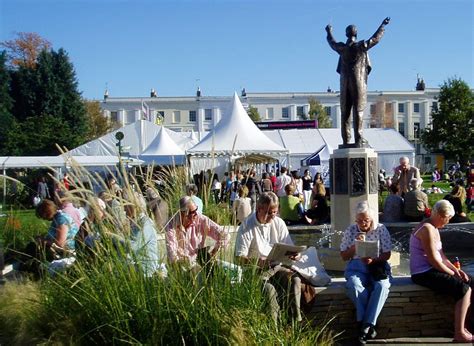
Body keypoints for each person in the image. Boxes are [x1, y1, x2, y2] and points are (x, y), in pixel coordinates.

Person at [234, 192, 304, 323]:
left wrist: (296, 254)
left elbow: (289, 246)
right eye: (269, 213)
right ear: (259, 209)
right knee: (269, 290)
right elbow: (239, 258)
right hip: (255, 270)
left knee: (294, 280)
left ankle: (294, 323)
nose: (272, 216)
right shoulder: (246, 226)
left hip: (276, 267)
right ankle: (274, 327)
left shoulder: (279, 223)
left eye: (275, 212)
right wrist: (258, 262)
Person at [410, 200, 473, 342]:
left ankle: (470, 325)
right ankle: (459, 333)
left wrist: (457, 271)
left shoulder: (434, 228)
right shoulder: (426, 229)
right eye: (447, 218)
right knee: (464, 289)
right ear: (439, 215)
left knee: (471, 281)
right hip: (423, 273)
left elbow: (442, 256)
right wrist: (454, 275)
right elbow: (434, 260)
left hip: (432, 268)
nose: (448, 222)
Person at [326, 17, 390, 147]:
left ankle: (346, 140)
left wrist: (329, 31)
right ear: (356, 34)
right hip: (358, 82)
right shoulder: (360, 46)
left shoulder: (342, 48)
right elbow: (375, 39)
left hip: (344, 84)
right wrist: (382, 26)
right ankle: (359, 139)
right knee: (358, 110)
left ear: (346, 34)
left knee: (345, 113)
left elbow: (332, 42)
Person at [340, 201, 392, 345]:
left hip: (377, 266)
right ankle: (368, 324)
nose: (363, 224)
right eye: (360, 220)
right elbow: (344, 256)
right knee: (354, 286)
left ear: (372, 218)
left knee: (382, 286)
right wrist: (354, 247)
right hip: (357, 266)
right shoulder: (351, 230)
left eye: (366, 220)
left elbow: (387, 253)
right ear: (355, 220)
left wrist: (374, 259)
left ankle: (364, 326)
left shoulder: (381, 229)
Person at [165, 196, 228, 268]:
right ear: (183, 214)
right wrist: (184, 262)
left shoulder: (200, 219)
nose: (196, 214)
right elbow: (172, 254)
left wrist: (215, 250)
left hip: (198, 263)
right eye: (193, 212)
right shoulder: (171, 225)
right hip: (179, 267)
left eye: (196, 210)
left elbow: (224, 234)